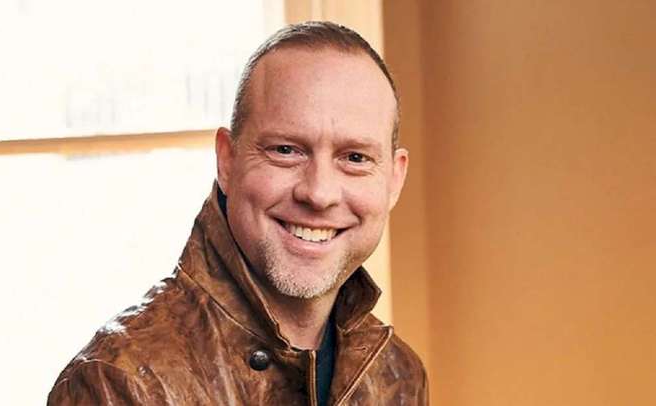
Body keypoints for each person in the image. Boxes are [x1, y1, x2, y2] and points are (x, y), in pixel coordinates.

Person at [48, 21, 427, 405]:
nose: (318, 193)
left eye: (355, 158)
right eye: (285, 150)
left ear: (394, 180)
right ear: (226, 161)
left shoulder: (398, 376)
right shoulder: (117, 383)